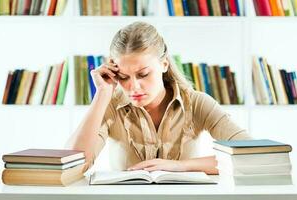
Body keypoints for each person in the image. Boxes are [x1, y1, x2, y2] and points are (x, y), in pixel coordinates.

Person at [66, 21, 252, 175]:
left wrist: (181, 166)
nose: (133, 86)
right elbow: (72, 166)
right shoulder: (110, 106)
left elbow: (250, 156)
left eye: (143, 74)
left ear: (164, 64)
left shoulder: (196, 103)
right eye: (123, 77)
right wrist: (102, 95)